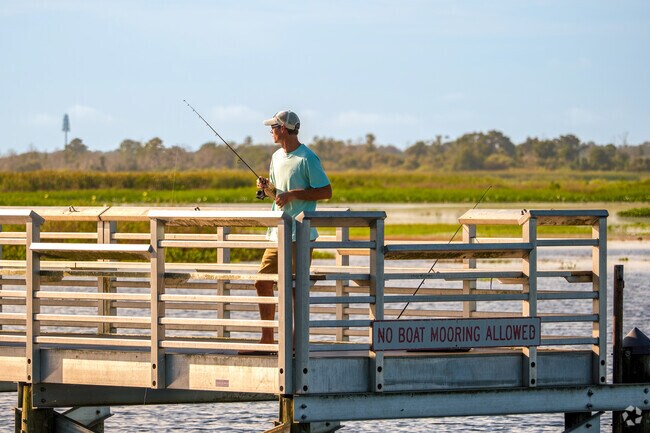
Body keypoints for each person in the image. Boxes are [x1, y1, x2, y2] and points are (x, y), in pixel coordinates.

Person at [250, 110, 332, 350]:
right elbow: (279, 196)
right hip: (277, 233)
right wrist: (268, 190)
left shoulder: (307, 158)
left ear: (283, 128)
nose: (270, 131)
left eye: (273, 127)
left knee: (296, 289)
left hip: (300, 234)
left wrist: (293, 194)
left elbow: (326, 191)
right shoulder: (276, 157)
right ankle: (267, 338)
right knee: (261, 282)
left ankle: (296, 344)